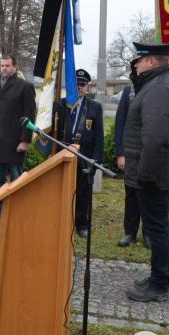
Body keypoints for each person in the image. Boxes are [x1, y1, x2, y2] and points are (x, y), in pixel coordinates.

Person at [122, 42, 169, 303]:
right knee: (157, 227)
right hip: (155, 170)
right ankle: (158, 276)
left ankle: (159, 285)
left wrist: (145, 174)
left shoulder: (158, 88)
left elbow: (156, 137)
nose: (135, 65)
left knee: (157, 229)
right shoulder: (159, 84)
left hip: (152, 174)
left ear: (151, 62)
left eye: (138, 61)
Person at [0, 54, 37, 223]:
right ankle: (0, 212)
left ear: (15, 67)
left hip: (15, 143)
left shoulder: (25, 87)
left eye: (7, 65)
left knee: (17, 181)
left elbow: (29, 115)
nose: (4, 68)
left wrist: (25, 140)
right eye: (2, 65)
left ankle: (17, 212)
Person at [57, 69, 104, 238]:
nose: (79, 87)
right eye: (77, 84)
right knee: (64, 191)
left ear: (88, 87)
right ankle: (63, 221)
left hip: (85, 156)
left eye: (83, 84)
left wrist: (96, 160)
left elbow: (99, 136)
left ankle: (81, 224)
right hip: (64, 154)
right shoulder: (62, 104)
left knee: (84, 192)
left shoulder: (95, 107)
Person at [114, 84, 149, 248]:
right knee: (131, 194)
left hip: (151, 150)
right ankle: (130, 232)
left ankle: (148, 234)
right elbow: (120, 122)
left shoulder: (157, 88)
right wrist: (120, 153)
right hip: (131, 152)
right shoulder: (129, 91)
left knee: (149, 194)